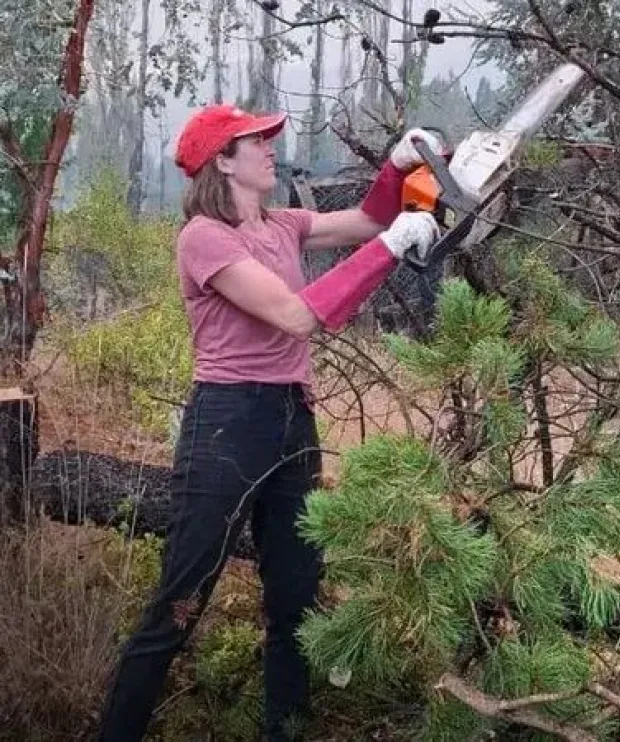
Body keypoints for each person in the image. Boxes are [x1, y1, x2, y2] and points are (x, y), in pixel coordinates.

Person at [97, 104, 443, 741]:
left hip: (291, 419)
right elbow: (295, 316)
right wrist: (390, 251)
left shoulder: (283, 224)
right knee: (180, 605)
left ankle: (281, 733)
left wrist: (395, 169)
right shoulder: (205, 236)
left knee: (296, 598)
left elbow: (369, 219)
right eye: (256, 142)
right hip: (228, 424)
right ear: (221, 162)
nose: (270, 150)